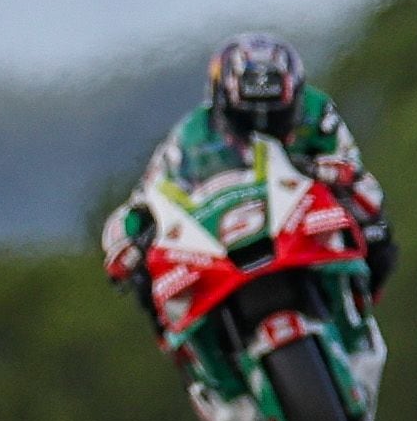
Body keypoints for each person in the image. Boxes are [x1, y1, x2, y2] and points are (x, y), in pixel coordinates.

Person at [100, 32, 396, 324]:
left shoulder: (317, 109)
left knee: (372, 213)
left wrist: (330, 169)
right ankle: (192, 353)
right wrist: (127, 234)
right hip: (227, 226)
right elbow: (151, 191)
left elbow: (350, 162)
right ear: (221, 103)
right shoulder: (191, 134)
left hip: (304, 212)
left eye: (275, 119)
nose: (262, 126)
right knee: (146, 279)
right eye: (247, 120)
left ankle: (357, 305)